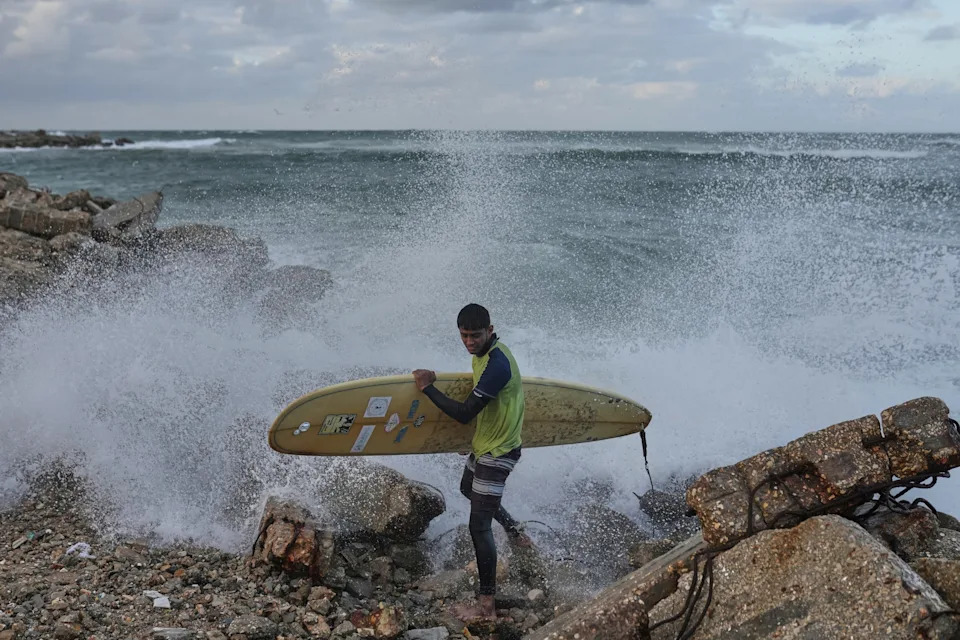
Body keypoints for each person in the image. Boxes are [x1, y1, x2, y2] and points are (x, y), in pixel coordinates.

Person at [413, 303, 532, 622]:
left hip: (500, 452)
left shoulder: (498, 366)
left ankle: (486, 605)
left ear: (490, 331)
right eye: (464, 336)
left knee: (478, 526)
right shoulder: (485, 354)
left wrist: (428, 388)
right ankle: (515, 529)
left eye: (475, 336)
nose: (469, 342)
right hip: (485, 445)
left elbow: (465, 414)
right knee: (467, 488)